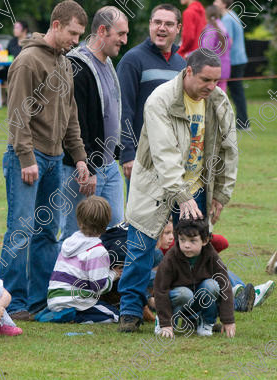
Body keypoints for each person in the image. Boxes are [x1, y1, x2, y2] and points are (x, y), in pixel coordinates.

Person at [117, 48, 239, 333]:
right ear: (188, 72)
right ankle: (130, 312)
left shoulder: (218, 101)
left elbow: (228, 149)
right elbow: (164, 153)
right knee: (141, 247)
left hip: (196, 186)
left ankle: (196, 314)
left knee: (195, 251)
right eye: (206, 80)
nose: (211, 86)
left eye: (216, 80)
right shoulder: (160, 99)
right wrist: (181, 195)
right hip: (157, 185)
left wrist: (221, 192)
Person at [0, 0, 89, 320]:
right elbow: (17, 114)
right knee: (20, 230)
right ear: (56, 25)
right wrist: (25, 157)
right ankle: (12, 301)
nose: (76, 41)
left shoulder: (64, 62)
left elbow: (71, 114)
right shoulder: (28, 60)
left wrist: (78, 156)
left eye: (80, 35)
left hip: (55, 159)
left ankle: (39, 300)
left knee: (48, 232)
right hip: (29, 157)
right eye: (73, 33)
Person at [61, 6, 129, 241]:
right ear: (102, 30)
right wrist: (87, 166)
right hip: (81, 169)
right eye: (120, 33)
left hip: (109, 166)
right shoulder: (76, 66)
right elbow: (75, 123)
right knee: (76, 234)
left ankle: (105, 278)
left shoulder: (108, 63)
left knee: (116, 232)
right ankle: (64, 278)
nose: (125, 40)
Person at [117, 4, 186, 191]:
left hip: (173, 158)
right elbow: (124, 109)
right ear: (150, 25)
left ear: (178, 28)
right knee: (141, 218)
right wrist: (128, 154)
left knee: (172, 217)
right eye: (157, 22)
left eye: (169, 24)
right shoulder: (132, 60)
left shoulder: (182, 64)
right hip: (142, 158)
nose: (162, 28)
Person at [36, 196, 120, 324]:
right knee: (114, 314)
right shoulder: (98, 251)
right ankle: (74, 317)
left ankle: (56, 313)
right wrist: (114, 274)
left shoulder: (70, 243)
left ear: (79, 220)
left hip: (55, 299)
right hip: (75, 302)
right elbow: (98, 286)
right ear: (107, 223)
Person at [154, 218, 235, 338]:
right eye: (182, 240)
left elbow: (225, 284)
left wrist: (228, 320)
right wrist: (165, 323)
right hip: (179, 299)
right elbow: (160, 290)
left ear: (205, 240)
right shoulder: (170, 258)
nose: (186, 245)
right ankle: (166, 323)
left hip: (198, 300)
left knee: (212, 285)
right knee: (184, 293)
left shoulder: (211, 255)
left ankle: (206, 322)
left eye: (193, 241)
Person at [214, 0, 250, 130]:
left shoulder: (227, 19)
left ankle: (243, 123)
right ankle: (242, 122)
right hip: (239, 59)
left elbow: (227, 40)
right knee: (236, 92)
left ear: (224, 4)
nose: (214, 3)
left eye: (217, 1)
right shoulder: (233, 15)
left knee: (234, 92)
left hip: (233, 61)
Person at [201, 5, 231, 91]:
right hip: (225, 67)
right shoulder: (223, 27)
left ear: (206, 15)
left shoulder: (210, 29)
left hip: (212, 69)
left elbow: (206, 50)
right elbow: (229, 45)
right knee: (221, 95)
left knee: (210, 97)